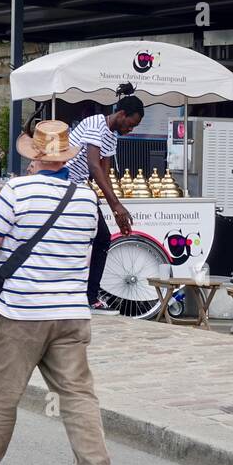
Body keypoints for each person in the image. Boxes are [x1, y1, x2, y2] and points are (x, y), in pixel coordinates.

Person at [0, 119, 113, 465]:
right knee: (78, 396)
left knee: (2, 392)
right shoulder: (86, 198)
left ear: (35, 156)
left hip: (22, 312)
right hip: (72, 312)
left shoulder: (17, 190)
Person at [66, 83, 145, 313]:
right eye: (131, 124)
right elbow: (93, 165)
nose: (131, 130)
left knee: (102, 239)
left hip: (80, 188)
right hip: (67, 184)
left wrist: (115, 210)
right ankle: (85, 295)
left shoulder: (112, 136)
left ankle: (89, 296)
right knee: (93, 239)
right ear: (121, 115)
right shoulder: (95, 124)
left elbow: (105, 173)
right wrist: (116, 205)